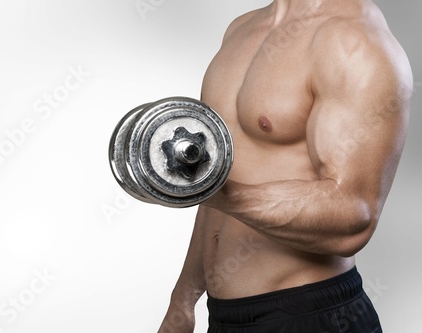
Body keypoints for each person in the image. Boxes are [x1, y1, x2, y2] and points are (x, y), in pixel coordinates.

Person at [157, 0, 412, 332]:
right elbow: (218, 179)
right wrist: (183, 300)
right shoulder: (240, 29)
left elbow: (353, 216)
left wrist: (214, 192)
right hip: (224, 315)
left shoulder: (354, 41)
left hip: (308, 313)